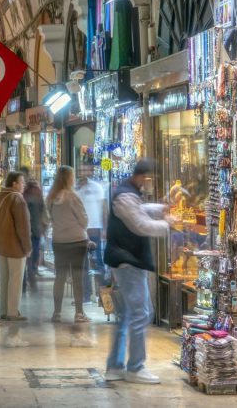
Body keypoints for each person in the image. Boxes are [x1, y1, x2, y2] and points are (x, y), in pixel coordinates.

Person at [104, 159, 176, 384]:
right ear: (140, 176)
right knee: (140, 313)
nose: (148, 182)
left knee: (127, 315)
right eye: (147, 178)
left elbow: (139, 210)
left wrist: (159, 209)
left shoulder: (128, 194)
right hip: (129, 262)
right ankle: (135, 367)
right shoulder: (125, 195)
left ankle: (115, 367)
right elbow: (140, 224)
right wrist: (168, 224)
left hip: (128, 261)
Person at [47, 166, 90, 323]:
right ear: (69, 179)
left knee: (60, 277)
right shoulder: (73, 197)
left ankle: (57, 312)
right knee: (78, 278)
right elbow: (84, 220)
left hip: (59, 241)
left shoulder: (51, 198)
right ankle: (79, 313)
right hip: (77, 241)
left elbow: (50, 219)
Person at [0, 172, 30, 328]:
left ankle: (4, 311)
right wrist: (27, 247)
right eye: (22, 182)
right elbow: (23, 227)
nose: (23, 185)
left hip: (0, 245)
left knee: (5, 279)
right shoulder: (17, 199)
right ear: (14, 184)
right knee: (15, 279)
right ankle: (13, 312)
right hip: (15, 246)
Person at [75, 163, 107, 301]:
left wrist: (105, 228)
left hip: (94, 229)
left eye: (86, 169)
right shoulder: (75, 189)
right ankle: (86, 295)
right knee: (82, 264)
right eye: (81, 169)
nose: (83, 172)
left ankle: (104, 295)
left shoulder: (97, 188)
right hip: (80, 230)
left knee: (98, 262)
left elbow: (104, 208)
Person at [22, 178, 47, 292]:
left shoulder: (25, 196)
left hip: (30, 231)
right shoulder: (35, 195)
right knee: (33, 255)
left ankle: (26, 281)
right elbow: (43, 213)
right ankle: (30, 279)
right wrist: (43, 228)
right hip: (34, 230)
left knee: (27, 257)